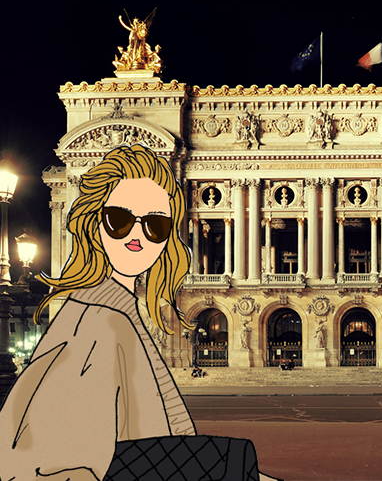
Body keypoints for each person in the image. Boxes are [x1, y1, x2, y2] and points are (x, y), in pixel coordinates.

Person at [0, 145, 278, 481]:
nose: (138, 235)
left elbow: (155, 444)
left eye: (156, 226)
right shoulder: (99, 322)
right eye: (119, 220)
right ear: (91, 221)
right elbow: (40, 464)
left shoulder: (116, 311)